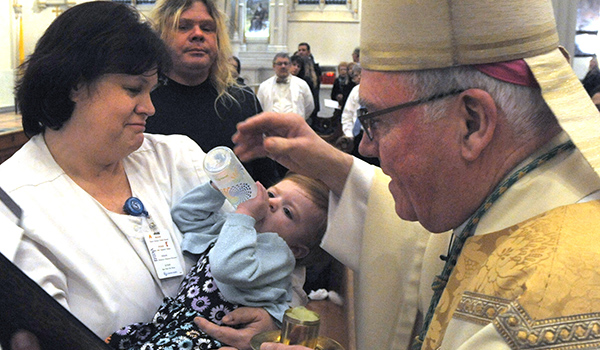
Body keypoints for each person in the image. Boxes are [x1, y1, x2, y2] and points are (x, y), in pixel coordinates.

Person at [202, 0, 600, 349]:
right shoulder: (513, 197)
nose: (365, 146)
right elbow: (429, 249)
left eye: (375, 120)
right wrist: (330, 164)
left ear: (473, 122)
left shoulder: (557, 295)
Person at [1, 0, 239, 344]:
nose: (150, 107)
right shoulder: (12, 206)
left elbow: (268, 228)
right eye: (133, 89)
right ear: (74, 85)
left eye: (151, 90)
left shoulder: (181, 155)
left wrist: (268, 313)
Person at [106, 173, 329, 350]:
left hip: (208, 336)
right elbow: (185, 217)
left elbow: (227, 268)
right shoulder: (237, 229)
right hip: (178, 320)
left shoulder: (279, 253)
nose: (272, 203)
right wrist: (216, 189)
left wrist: (244, 216)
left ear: (296, 249)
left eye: (288, 212)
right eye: (272, 194)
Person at [146, 0, 281, 187]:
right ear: (160, 37)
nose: (198, 35)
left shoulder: (241, 100)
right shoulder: (144, 102)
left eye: (207, 28)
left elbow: (264, 178)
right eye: (183, 27)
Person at [257, 53, 314, 120]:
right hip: (272, 127)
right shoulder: (264, 86)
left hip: (294, 127)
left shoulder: (302, 84)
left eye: (286, 63)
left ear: (290, 65)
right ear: (273, 66)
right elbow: (260, 107)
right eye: (279, 64)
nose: (283, 66)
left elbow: (309, 106)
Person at [297, 42, 321, 122]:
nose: (301, 52)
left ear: (308, 52)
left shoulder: (314, 68)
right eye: (299, 50)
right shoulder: (296, 67)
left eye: (303, 50)